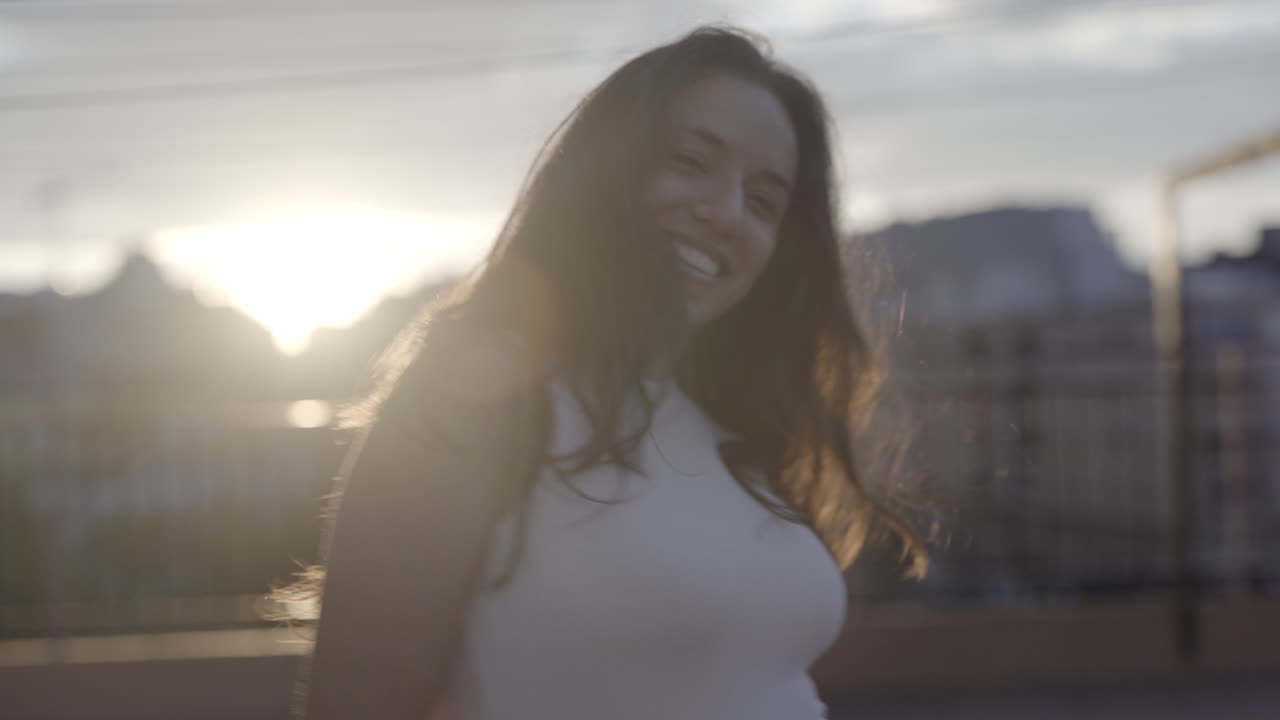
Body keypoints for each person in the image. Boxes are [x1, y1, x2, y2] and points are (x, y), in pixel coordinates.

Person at [291, 25, 927, 720]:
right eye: (690, 162)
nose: (724, 213)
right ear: (604, 171)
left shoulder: (730, 426)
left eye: (762, 201)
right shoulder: (480, 392)